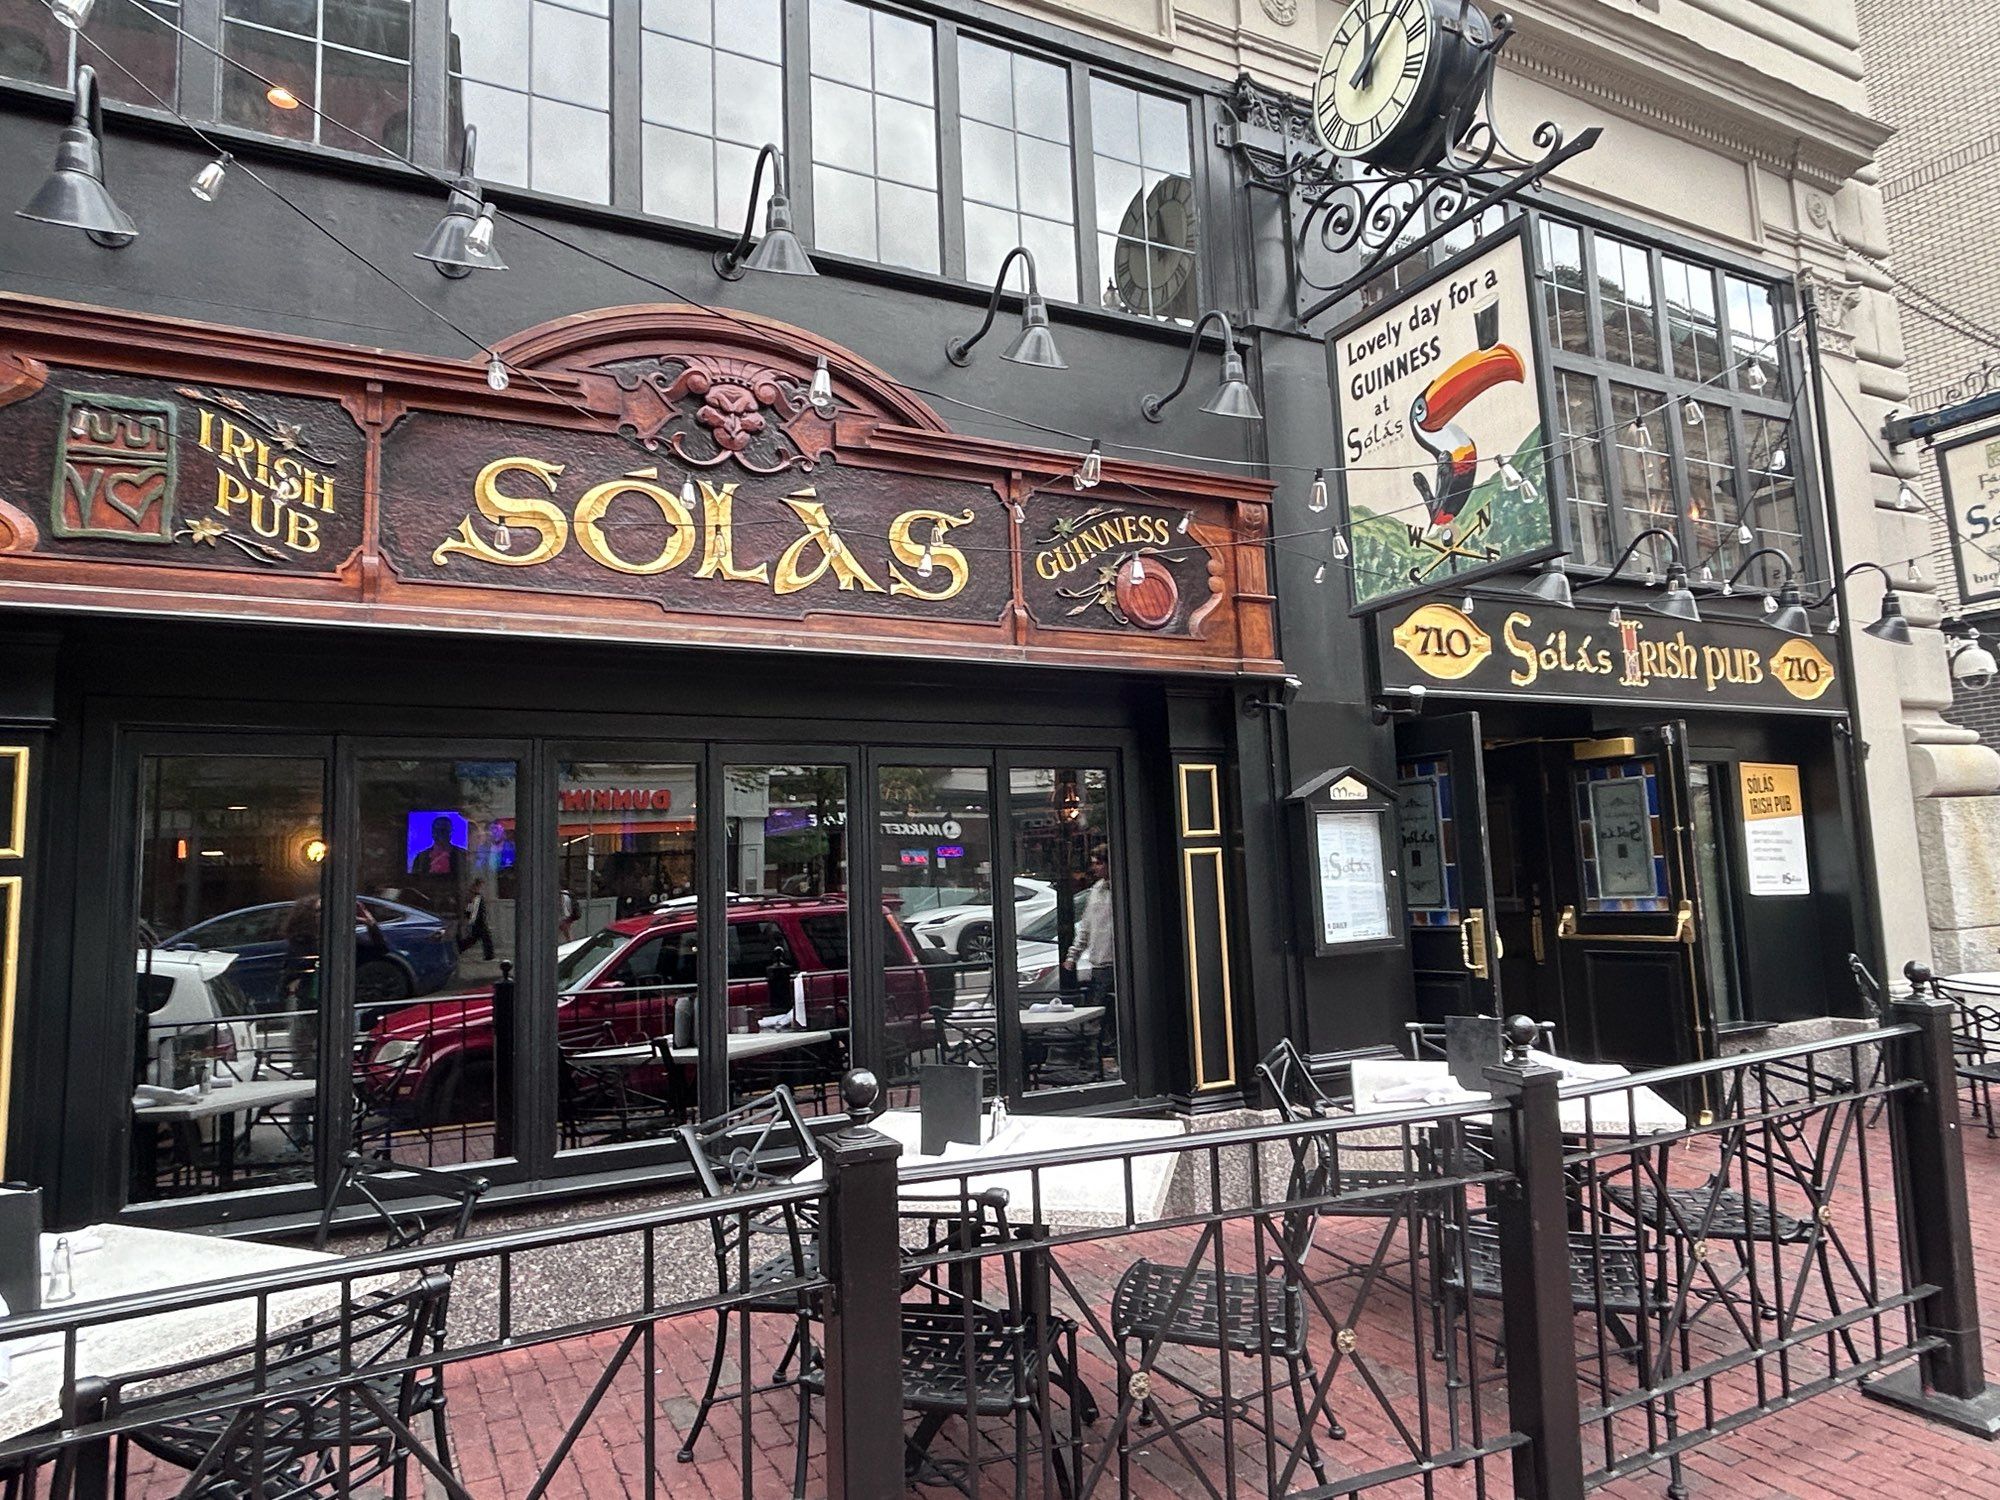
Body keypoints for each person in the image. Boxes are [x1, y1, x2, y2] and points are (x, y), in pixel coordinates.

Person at [1063, 850, 1116, 1005]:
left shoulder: (1120, 889)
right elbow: (1086, 926)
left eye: (1099, 863)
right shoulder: (1096, 890)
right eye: (1093, 863)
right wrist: (1073, 956)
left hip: (1116, 961)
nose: (1095, 867)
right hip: (1100, 964)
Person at [459, 878, 495, 961]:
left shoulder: (475, 895)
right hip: (478, 920)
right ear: (479, 885)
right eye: (482, 885)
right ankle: (489, 955)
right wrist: (470, 918)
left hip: (477, 920)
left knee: (473, 939)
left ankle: (459, 948)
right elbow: (472, 907)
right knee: (485, 937)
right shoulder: (475, 895)